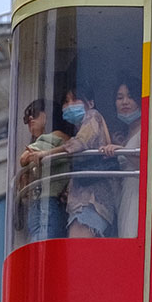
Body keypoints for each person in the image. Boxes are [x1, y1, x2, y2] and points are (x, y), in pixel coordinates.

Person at [101, 79, 152, 237]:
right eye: (119, 97)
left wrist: (122, 150)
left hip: (143, 195)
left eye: (130, 96)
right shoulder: (129, 132)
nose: (125, 102)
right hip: (127, 195)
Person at [52, 81, 115, 238]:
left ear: (90, 103)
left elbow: (78, 144)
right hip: (85, 203)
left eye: (75, 100)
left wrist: (44, 154)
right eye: (66, 102)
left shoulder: (93, 115)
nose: (70, 105)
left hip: (91, 202)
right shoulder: (81, 127)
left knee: (79, 247)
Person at [16, 99, 71, 241]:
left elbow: (23, 158)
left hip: (50, 201)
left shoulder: (56, 136)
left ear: (45, 116)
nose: (30, 119)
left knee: (43, 244)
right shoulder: (41, 142)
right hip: (40, 203)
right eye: (26, 118)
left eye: (33, 113)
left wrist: (33, 154)